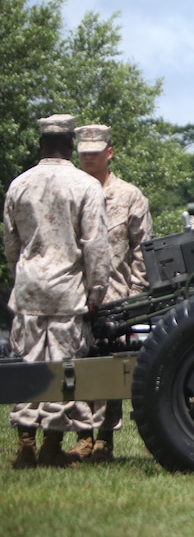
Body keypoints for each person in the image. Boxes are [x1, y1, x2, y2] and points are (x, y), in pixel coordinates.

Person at [3, 114, 110, 468]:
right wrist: (96, 294)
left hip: (30, 292)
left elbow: (11, 243)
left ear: (40, 144)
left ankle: (25, 447)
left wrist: (23, 275)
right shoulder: (85, 186)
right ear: (69, 145)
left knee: (28, 367)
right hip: (67, 293)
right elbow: (95, 246)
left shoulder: (19, 185)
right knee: (63, 371)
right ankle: (51, 447)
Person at [76, 123, 153, 462]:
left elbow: (143, 248)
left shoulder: (129, 196)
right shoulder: (72, 190)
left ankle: (105, 437)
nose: (88, 158)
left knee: (110, 367)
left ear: (109, 152)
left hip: (117, 295)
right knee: (78, 365)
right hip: (75, 293)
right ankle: (82, 436)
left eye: (95, 152)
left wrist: (136, 291)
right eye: (83, 153)